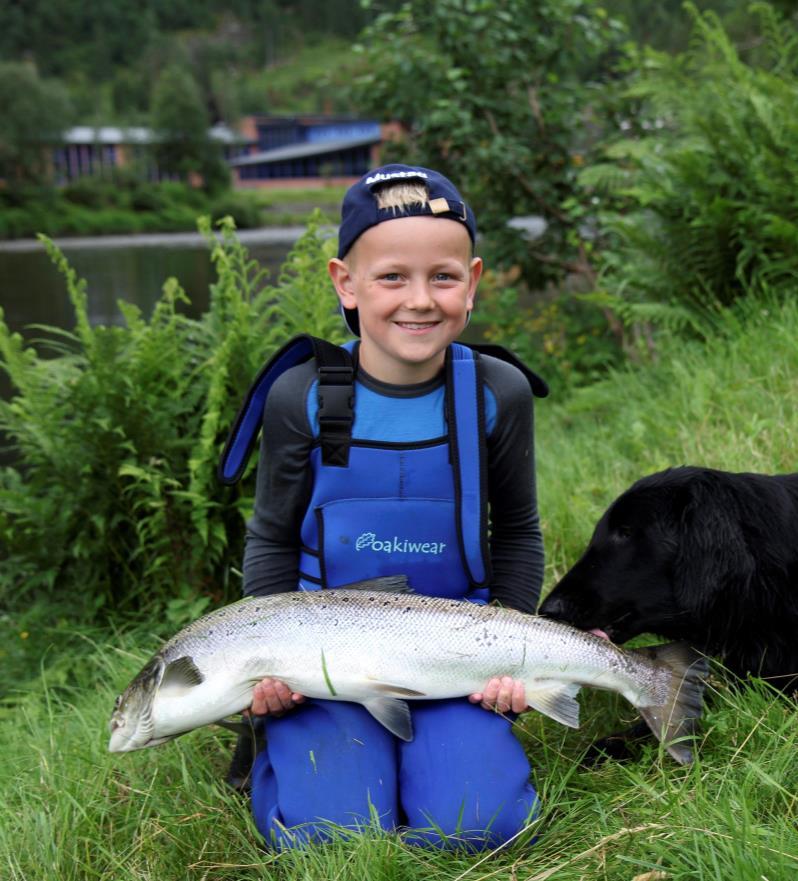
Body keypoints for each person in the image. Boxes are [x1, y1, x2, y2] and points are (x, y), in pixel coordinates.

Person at [232, 164, 546, 849]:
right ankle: (271, 753)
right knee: (329, 836)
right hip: (324, 668)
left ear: (474, 280)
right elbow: (270, 541)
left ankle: (445, 758)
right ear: (345, 281)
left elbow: (519, 532)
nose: (420, 300)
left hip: (457, 659)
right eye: (392, 277)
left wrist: (511, 652)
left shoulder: (499, 391)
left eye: (443, 276)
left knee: (477, 827)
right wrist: (271, 663)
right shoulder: (301, 397)